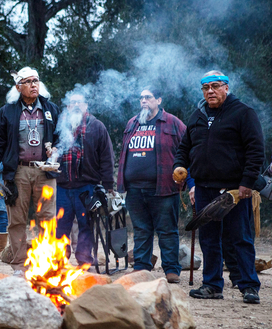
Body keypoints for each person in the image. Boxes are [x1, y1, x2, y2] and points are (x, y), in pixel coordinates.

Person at [174, 71, 264, 304]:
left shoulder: (243, 113)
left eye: (215, 86)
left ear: (226, 88)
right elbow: (184, 148)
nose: (210, 91)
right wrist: (179, 167)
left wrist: (247, 183)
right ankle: (212, 285)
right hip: (205, 187)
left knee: (240, 237)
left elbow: (256, 151)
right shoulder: (197, 115)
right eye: (205, 88)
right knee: (209, 238)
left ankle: (249, 286)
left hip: (235, 190)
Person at [0, 67, 59, 275]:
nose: (33, 84)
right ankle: (19, 264)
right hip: (18, 172)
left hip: (46, 171)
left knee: (47, 218)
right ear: (18, 87)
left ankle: (45, 263)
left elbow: (61, 134)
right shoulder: (7, 112)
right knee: (17, 219)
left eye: (36, 80)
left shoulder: (50, 109)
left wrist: (56, 148)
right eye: (28, 81)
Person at [116, 87, 185, 284]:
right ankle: (141, 268)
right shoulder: (133, 123)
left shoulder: (172, 122)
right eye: (141, 98)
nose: (144, 101)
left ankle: (171, 270)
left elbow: (188, 148)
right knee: (141, 230)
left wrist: (188, 178)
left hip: (163, 187)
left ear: (159, 100)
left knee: (167, 230)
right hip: (135, 189)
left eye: (148, 97)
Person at [55, 92, 114, 266]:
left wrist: (108, 184)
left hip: (87, 186)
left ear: (86, 105)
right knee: (60, 226)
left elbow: (106, 156)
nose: (75, 105)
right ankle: (59, 261)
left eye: (79, 102)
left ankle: (84, 260)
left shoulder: (97, 126)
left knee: (86, 225)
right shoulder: (59, 127)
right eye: (72, 102)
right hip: (62, 186)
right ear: (67, 106)